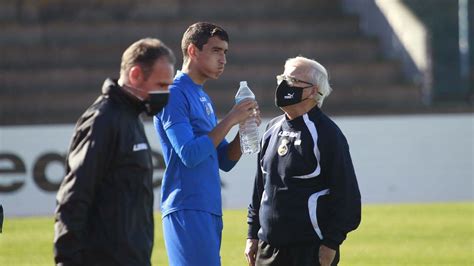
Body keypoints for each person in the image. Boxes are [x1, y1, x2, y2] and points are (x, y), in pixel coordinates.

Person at [54, 38, 175, 266]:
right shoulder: (103, 120)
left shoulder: (132, 118)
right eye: (161, 86)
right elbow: (74, 197)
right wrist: (66, 260)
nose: (166, 94)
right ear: (136, 75)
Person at [154, 22, 260, 266]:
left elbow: (224, 160)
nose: (223, 59)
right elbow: (189, 154)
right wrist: (232, 118)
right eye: (216, 51)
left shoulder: (202, 96)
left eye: (225, 52)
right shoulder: (173, 92)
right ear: (192, 51)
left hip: (208, 206)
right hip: (187, 204)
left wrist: (244, 130)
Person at [244, 56, 361, 266]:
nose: (284, 85)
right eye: (283, 77)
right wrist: (252, 234)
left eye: (294, 80)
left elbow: (348, 199)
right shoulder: (271, 129)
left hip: (310, 252)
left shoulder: (327, 134)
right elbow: (260, 188)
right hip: (266, 249)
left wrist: (331, 244)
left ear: (314, 91)